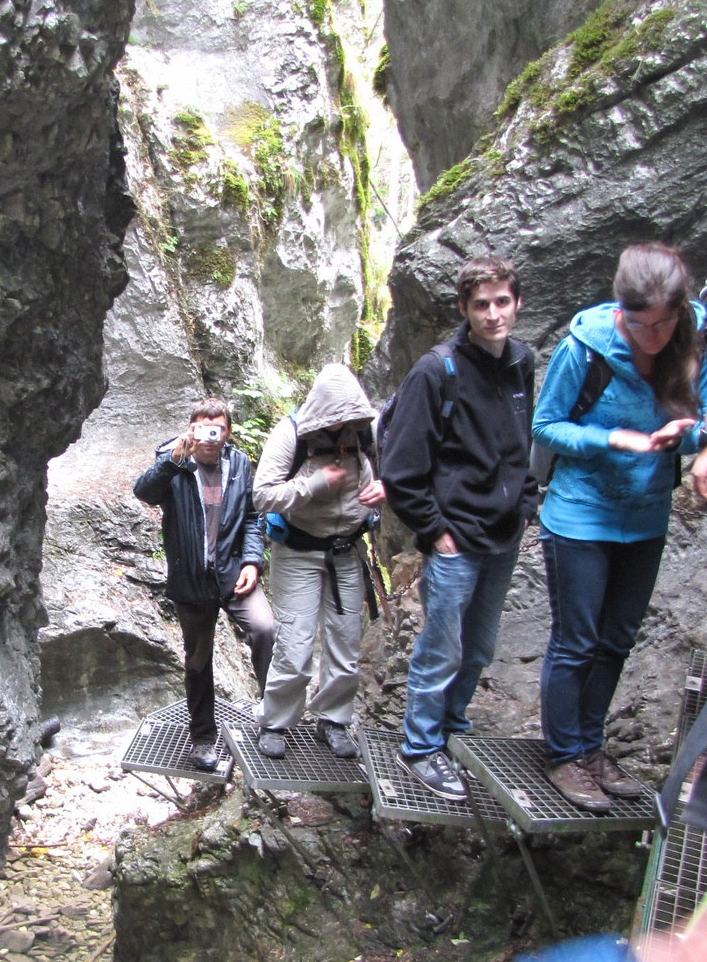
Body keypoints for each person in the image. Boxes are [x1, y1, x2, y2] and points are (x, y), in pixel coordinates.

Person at [531, 243, 707, 811]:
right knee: (577, 641)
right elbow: (547, 426)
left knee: (616, 641)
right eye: (641, 325)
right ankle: (563, 755)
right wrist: (609, 438)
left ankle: (590, 744)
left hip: (646, 514)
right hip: (581, 515)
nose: (654, 337)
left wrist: (689, 438)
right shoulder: (586, 348)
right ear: (620, 308)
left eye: (665, 323)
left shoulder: (694, 337)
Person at [379, 256, 538, 799]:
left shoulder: (522, 362)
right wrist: (433, 531)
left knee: (479, 646)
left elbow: (522, 443)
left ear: (517, 303)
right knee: (442, 646)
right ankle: (421, 746)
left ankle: (452, 728)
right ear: (464, 310)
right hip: (455, 540)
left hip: (504, 532)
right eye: (481, 305)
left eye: (502, 302)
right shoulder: (436, 370)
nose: (493, 314)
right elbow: (400, 466)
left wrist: (526, 502)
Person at [251, 364, 385, 759]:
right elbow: (262, 496)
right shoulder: (290, 434)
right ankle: (276, 722)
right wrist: (313, 485)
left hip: (348, 550)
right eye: (339, 416)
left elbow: (388, 469)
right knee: (294, 644)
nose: (346, 425)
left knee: (346, 641)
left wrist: (382, 489)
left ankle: (335, 719)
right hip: (298, 553)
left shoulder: (365, 431)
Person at [133, 397, 274, 771]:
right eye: (203, 428)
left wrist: (252, 561)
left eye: (218, 429)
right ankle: (202, 737)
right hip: (191, 578)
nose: (210, 438)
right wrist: (175, 460)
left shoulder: (240, 463)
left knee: (265, 629)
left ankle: (272, 717)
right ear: (191, 428)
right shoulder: (174, 460)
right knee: (198, 660)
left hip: (233, 573)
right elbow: (144, 492)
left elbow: (252, 517)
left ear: (228, 432)